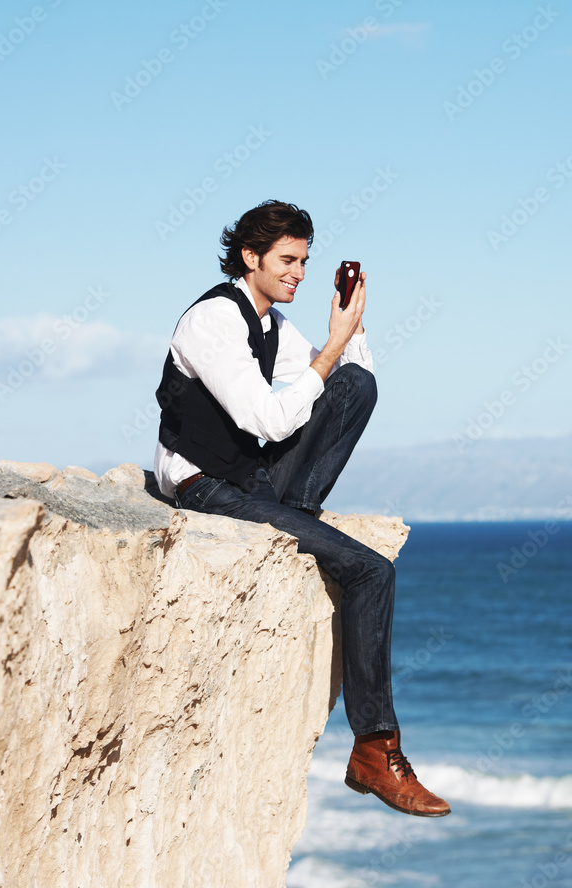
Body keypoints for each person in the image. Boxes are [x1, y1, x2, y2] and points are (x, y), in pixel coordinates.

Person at [153, 199, 450, 817]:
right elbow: (264, 416)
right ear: (250, 256)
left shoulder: (273, 325)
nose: (299, 273)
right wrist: (330, 349)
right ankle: (374, 749)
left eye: (306, 261)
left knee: (355, 385)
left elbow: (345, 384)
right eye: (287, 260)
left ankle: (299, 514)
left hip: (251, 481)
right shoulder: (213, 321)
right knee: (371, 569)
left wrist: (351, 330)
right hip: (204, 488)